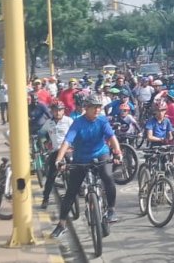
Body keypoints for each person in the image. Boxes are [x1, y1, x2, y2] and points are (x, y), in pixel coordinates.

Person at [49, 96, 125, 239]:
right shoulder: (78, 123)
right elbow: (67, 142)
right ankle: (62, 224)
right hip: (81, 159)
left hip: (101, 154)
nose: (97, 109)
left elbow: (112, 138)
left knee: (108, 177)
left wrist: (118, 152)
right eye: (94, 107)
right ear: (86, 108)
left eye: (99, 107)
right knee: (71, 192)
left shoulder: (102, 121)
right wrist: (59, 160)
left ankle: (111, 210)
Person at [40, 102, 74, 209]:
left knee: (76, 169)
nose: (58, 112)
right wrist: (45, 141)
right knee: (51, 176)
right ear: (52, 111)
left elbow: (77, 133)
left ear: (64, 111)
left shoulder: (69, 121)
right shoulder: (48, 123)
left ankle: (79, 189)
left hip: (68, 150)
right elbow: (41, 133)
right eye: (55, 110)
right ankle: (45, 199)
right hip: (56, 151)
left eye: (60, 110)